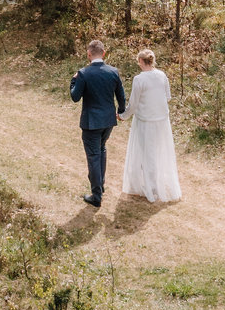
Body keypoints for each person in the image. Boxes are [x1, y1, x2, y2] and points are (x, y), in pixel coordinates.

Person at [119, 49, 181, 203]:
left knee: (146, 153)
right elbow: (167, 97)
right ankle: (153, 184)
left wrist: (122, 116)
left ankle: (150, 187)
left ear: (141, 61)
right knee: (157, 152)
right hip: (161, 121)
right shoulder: (162, 75)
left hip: (146, 121)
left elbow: (133, 104)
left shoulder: (139, 79)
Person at [70, 39, 126, 207]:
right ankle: (100, 185)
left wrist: (73, 81)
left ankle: (96, 196)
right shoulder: (113, 71)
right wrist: (121, 111)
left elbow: (75, 97)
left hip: (91, 122)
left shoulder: (83, 73)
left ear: (88, 54)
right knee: (101, 150)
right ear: (104, 53)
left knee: (94, 155)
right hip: (108, 120)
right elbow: (121, 96)